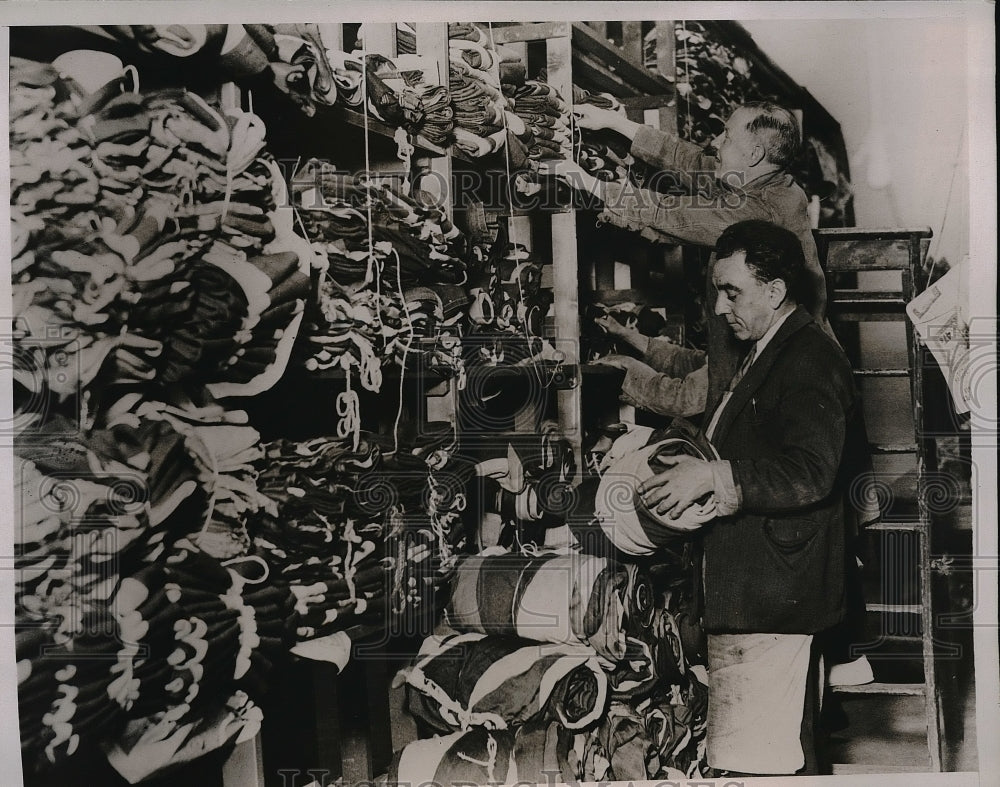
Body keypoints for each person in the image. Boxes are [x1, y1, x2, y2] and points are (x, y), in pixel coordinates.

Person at [636, 220, 859, 776]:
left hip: (777, 592)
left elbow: (812, 472)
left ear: (775, 291)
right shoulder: (765, 350)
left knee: (769, 762)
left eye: (731, 291)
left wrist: (715, 478)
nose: (718, 305)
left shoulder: (809, 359)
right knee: (761, 756)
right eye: (717, 289)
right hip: (757, 588)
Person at [541, 101, 832, 413]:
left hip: (789, 380)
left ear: (754, 154)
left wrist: (589, 183)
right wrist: (613, 122)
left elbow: (670, 211)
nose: (716, 142)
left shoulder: (761, 212)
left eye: (727, 136)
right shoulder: (767, 183)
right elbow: (692, 162)